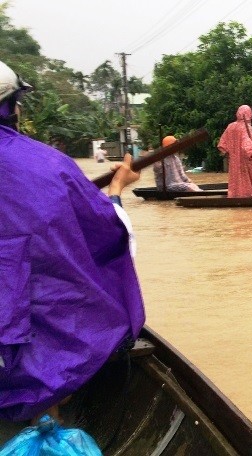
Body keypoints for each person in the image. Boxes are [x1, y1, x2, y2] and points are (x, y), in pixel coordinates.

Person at [0, 59, 145, 422]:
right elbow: (107, 232)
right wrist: (115, 189)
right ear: (10, 107)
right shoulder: (47, 165)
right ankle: (46, 405)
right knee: (78, 311)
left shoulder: (49, 167)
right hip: (22, 343)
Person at [217, 105, 252, 198]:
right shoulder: (246, 127)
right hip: (246, 161)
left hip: (234, 162)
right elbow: (246, 144)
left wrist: (229, 153)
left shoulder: (231, 126)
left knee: (236, 180)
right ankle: (249, 197)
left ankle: (235, 197)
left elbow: (222, 144)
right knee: (250, 181)